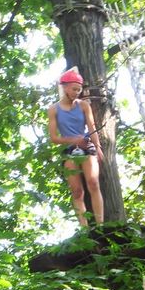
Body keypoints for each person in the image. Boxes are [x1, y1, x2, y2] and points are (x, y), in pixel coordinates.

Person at [46, 67, 104, 227]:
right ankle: (84, 228)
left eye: (79, 89)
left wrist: (98, 147)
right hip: (69, 149)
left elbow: (92, 128)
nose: (77, 92)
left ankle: (101, 225)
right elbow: (54, 138)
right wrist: (72, 140)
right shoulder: (53, 110)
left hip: (86, 145)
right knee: (77, 191)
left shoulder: (84, 105)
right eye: (74, 89)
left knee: (93, 182)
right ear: (64, 87)